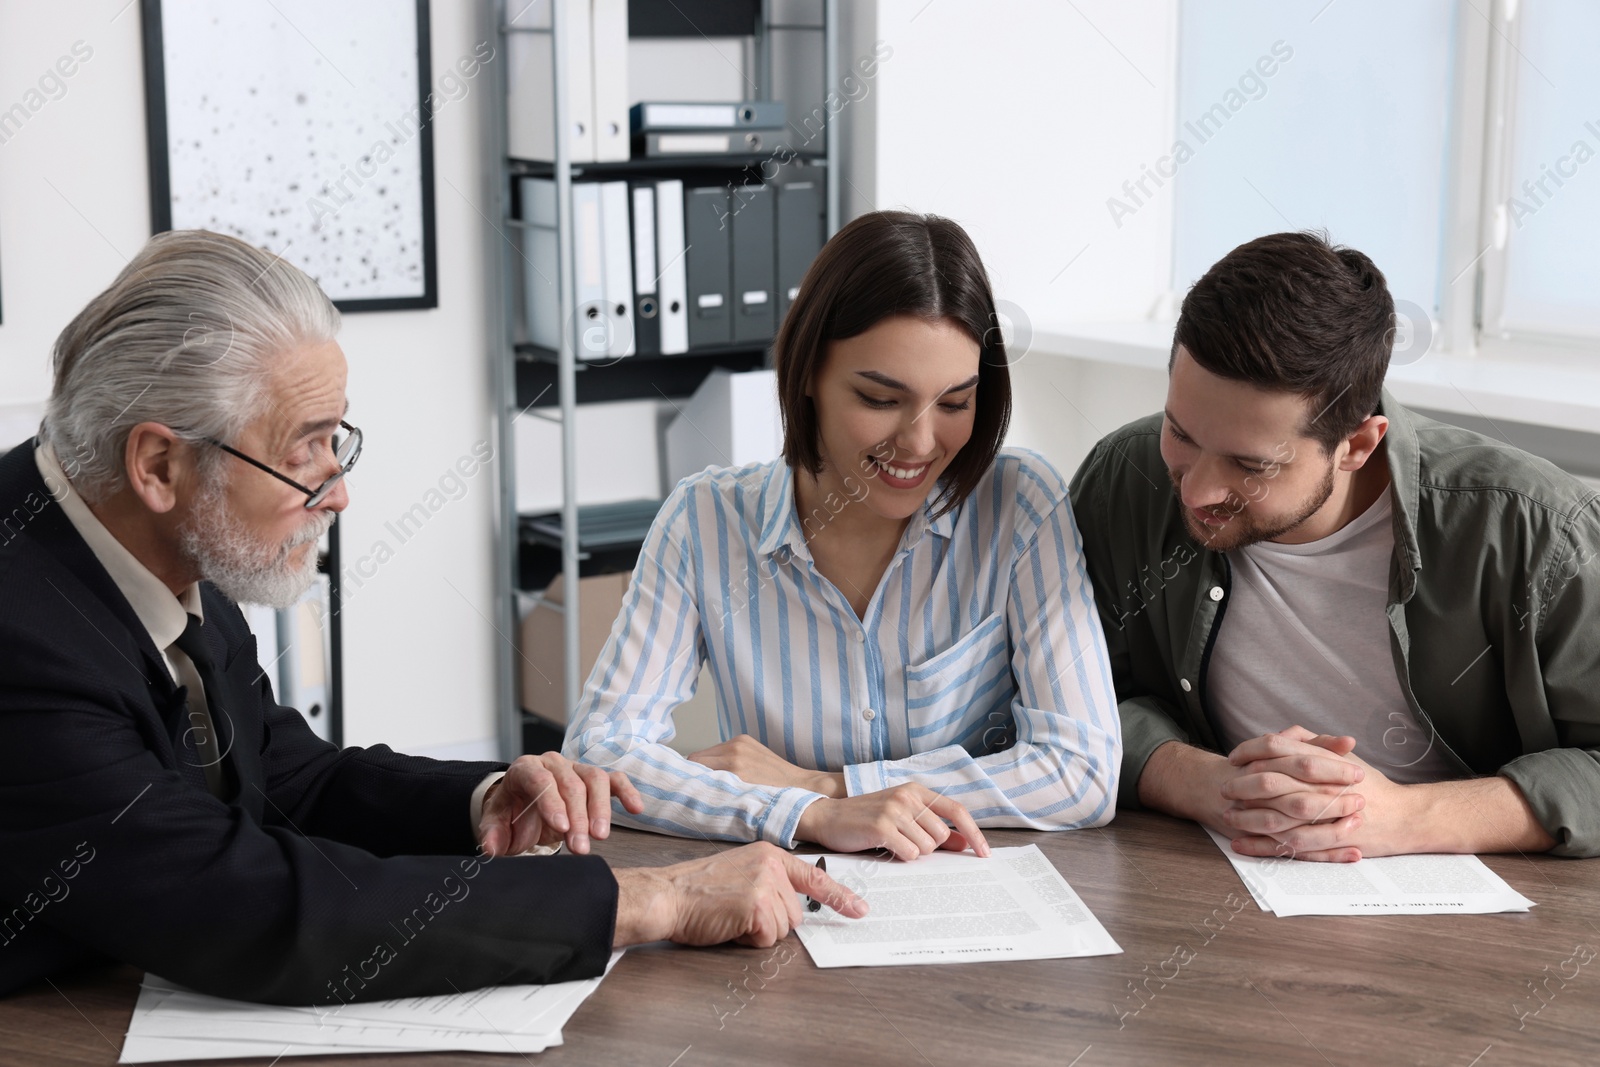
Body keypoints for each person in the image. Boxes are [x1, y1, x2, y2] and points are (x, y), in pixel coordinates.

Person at [0, 230, 865, 1005]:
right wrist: (655, 898)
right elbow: (242, 902)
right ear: (158, 462)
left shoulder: (163, 533)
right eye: (303, 449)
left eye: (337, 440)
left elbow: (286, 779)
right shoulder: (24, 635)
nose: (337, 489)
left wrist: (485, 795)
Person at [564, 211, 1121, 859]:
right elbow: (599, 753)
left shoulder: (1020, 505)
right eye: (880, 399)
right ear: (807, 373)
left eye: (954, 403)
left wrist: (829, 786)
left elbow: (1082, 771)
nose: (919, 442)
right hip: (785, 898)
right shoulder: (703, 521)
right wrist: (807, 815)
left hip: (977, 902)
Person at [1068, 231, 1600, 862]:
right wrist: (1202, 783)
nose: (1199, 490)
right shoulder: (1124, 478)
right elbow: (1066, 699)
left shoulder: (1538, 529)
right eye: (1181, 433)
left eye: (1249, 464)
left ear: (1357, 446)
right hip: (1202, 869)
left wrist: (1410, 817)